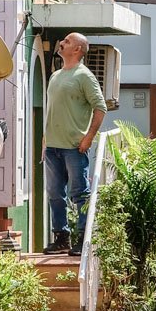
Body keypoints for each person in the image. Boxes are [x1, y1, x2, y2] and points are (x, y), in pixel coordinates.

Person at [42, 32, 107, 256]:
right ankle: (61, 237)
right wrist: (45, 139)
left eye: (67, 41)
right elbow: (53, 109)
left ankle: (82, 239)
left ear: (77, 49)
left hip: (74, 146)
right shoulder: (55, 75)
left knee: (79, 194)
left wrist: (89, 137)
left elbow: (100, 107)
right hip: (52, 146)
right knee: (54, 193)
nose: (61, 43)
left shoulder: (84, 76)